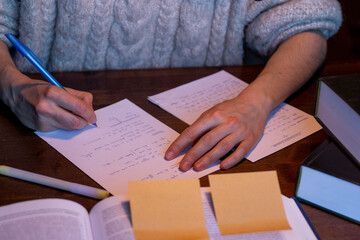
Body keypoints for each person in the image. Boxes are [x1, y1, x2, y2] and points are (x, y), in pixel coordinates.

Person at [0, 0, 342, 172]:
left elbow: (306, 26)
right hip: (37, 133)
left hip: (208, 123)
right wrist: (11, 85)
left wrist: (256, 102)